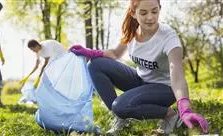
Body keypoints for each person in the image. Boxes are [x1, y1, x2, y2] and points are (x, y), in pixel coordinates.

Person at [69, 0, 209, 135]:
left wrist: (185, 107)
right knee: (95, 64)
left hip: (164, 89)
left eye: (154, 11)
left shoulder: (169, 38)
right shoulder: (131, 32)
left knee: (120, 106)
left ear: (160, 9)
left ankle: (170, 115)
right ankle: (121, 117)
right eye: (143, 13)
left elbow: (176, 73)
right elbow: (115, 53)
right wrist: (91, 53)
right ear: (134, 13)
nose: (150, 17)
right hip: (140, 79)